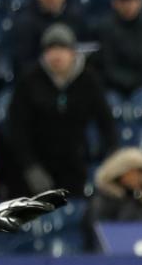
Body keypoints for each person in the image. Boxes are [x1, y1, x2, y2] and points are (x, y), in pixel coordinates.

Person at [9, 23, 116, 195]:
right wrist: (30, 167)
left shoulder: (89, 80)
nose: (56, 55)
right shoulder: (29, 81)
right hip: (37, 164)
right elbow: (17, 128)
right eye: (51, 49)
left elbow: (106, 123)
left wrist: (110, 158)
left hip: (74, 164)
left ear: (73, 52)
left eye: (62, 48)